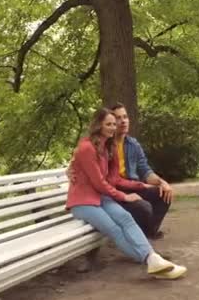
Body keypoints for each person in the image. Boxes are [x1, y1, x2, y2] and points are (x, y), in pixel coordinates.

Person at [66, 108, 187, 279]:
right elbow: (99, 183)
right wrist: (124, 196)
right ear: (98, 125)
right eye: (108, 124)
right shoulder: (86, 148)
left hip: (101, 197)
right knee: (114, 229)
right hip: (83, 202)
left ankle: (153, 259)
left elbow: (114, 179)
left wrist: (142, 186)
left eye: (114, 124)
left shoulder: (109, 147)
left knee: (126, 219)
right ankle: (150, 260)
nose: (113, 127)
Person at [68, 103, 174, 239]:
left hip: (130, 185)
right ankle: (137, 235)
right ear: (107, 123)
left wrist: (161, 182)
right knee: (143, 207)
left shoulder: (133, 144)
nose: (123, 121)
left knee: (163, 194)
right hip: (113, 189)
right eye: (118, 118)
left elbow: (145, 170)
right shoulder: (101, 144)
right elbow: (78, 163)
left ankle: (148, 232)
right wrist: (69, 169)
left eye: (125, 117)